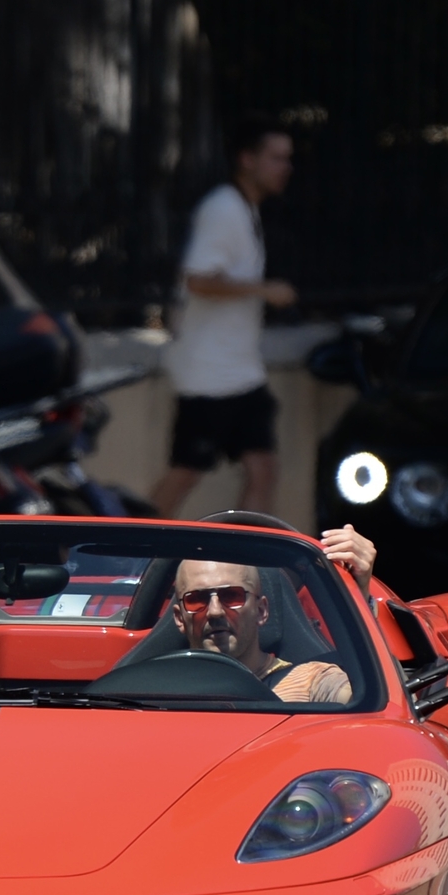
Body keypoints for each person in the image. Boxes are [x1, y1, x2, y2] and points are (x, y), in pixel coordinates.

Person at [152, 116, 297, 517]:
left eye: (288, 159)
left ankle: (249, 565)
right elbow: (198, 280)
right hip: (209, 375)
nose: (284, 167)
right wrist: (264, 290)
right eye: (275, 158)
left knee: (263, 469)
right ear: (247, 160)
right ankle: (128, 556)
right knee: (186, 471)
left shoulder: (246, 211)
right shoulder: (223, 209)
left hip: (241, 373)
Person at [169, 525, 377, 705]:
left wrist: (360, 593)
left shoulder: (312, 682)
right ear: (179, 618)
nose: (215, 611)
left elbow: (371, 703)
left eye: (232, 596)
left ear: (261, 611)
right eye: (197, 599)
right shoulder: (153, 692)